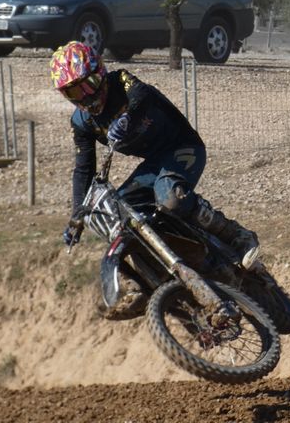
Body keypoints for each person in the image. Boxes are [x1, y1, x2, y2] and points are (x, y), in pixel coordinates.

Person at [50, 41, 260, 269]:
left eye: (89, 84)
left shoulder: (122, 82)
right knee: (121, 218)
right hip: (154, 164)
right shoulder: (82, 123)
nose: (85, 96)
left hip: (183, 147)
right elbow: (84, 169)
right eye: (74, 91)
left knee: (170, 197)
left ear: (100, 71)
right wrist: (77, 216)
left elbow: (143, 94)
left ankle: (237, 235)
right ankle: (152, 277)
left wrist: (128, 116)